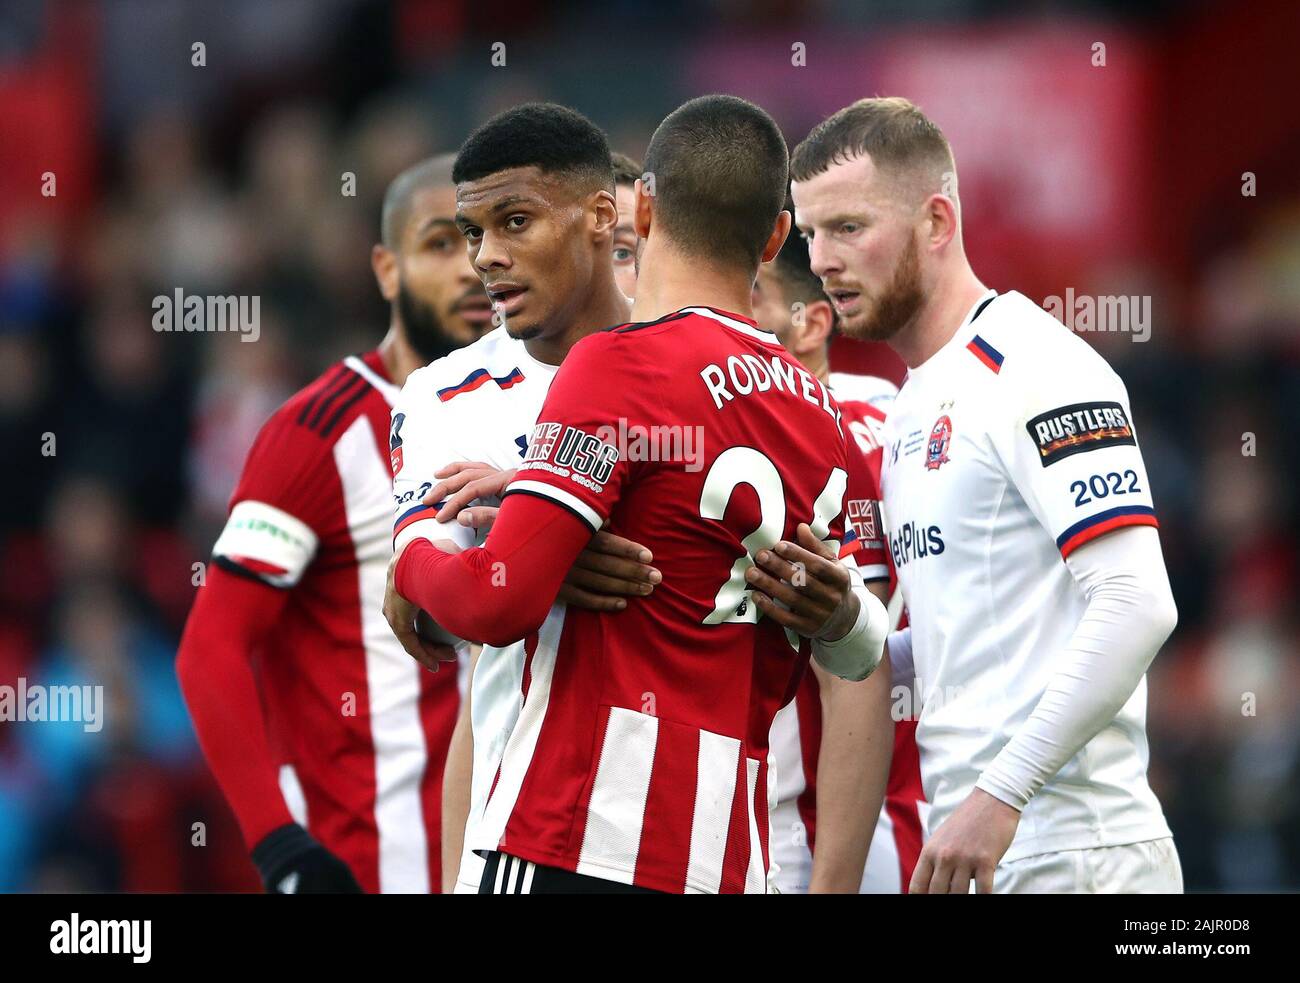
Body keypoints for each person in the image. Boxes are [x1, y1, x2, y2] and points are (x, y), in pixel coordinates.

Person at [386, 94, 890, 894]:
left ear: (639, 208)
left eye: (510, 224)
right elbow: (863, 645)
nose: (485, 257)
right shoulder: (820, 409)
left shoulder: (617, 366)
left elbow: (496, 602)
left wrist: (407, 557)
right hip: (725, 856)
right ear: (773, 237)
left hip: (577, 834)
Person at [791, 96, 1180, 893]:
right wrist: (841, 629)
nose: (823, 261)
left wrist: (1001, 793)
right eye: (809, 235)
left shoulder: (1038, 367)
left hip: (1077, 852)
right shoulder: (909, 405)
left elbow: (1139, 600)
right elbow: (954, 654)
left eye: (849, 228)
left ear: (937, 222)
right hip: (974, 853)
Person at [176, 154, 490, 894]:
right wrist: (280, 845)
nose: (470, 269)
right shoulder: (318, 435)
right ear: (387, 269)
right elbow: (210, 647)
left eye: (480, 241)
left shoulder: (540, 415)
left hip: (509, 856)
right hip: (371, 865)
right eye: (441, 243)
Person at [384, 104, 645, 893]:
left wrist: (528, 530)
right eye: (472, 233)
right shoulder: (442, 394)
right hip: (527, 840)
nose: (485, 259)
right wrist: (543, 552)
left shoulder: (690, 368)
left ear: (602, 218)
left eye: (516, 222)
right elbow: (455, 601)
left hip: (702, 834)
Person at [752, 229, 925, 893]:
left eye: (753, 295)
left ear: (813, 322)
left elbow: (861, 634)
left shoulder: (814, 425)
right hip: (903, 797)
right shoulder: (904, 406)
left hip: (813, 818)